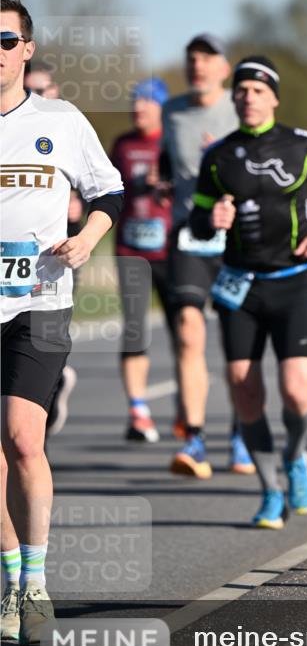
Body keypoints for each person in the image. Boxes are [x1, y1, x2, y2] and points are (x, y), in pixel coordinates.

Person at [0, 0, 123, 643]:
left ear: (25, 49)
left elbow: (109, 192)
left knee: (22, 437)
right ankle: (9, 581)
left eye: (5, 39)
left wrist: (88, 238)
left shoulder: (60, 120)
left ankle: (37, 584)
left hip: (42, 298)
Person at [190, 55, 307, 526]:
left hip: (292, 281)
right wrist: (209, 220)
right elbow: (196, 221)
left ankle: (296, 457)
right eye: (240, 91)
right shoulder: (217, 156)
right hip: (240, 286)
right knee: (245, 392)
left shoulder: (301, 144)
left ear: (274, 97)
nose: (248, 98)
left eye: (258, 90)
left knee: (297, 394)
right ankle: (269, 490)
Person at [160, 34, 254, 476]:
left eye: (206, 58)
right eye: (190, 58)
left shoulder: (242, 109)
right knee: (188, 329)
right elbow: (167, 163)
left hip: (236, 240)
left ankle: (241, 436)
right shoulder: (172, 111)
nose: (196, 65)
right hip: (189, 237)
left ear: (223, 67)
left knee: (239, 343)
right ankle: (194, 440)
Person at [111, 78, 179, 442]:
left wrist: (169, 188)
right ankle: (137, 410)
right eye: (134, 102)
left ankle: (187, 407)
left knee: (182, 329)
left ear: (162, 108)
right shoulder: (122, 145)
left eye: (147, 102)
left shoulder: (171, 141)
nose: (138, 108)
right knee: (134, 330)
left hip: (171, 250)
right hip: (131, 251)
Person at [24, 60, 83, 436]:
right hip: (9, 259)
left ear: (56, 91)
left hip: (53, 261)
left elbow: (104, 187)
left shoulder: (68, 125)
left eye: (45, 90)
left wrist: (82, 218)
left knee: (35, 347)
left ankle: (52, 386)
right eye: (33, 90)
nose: (39, 98)